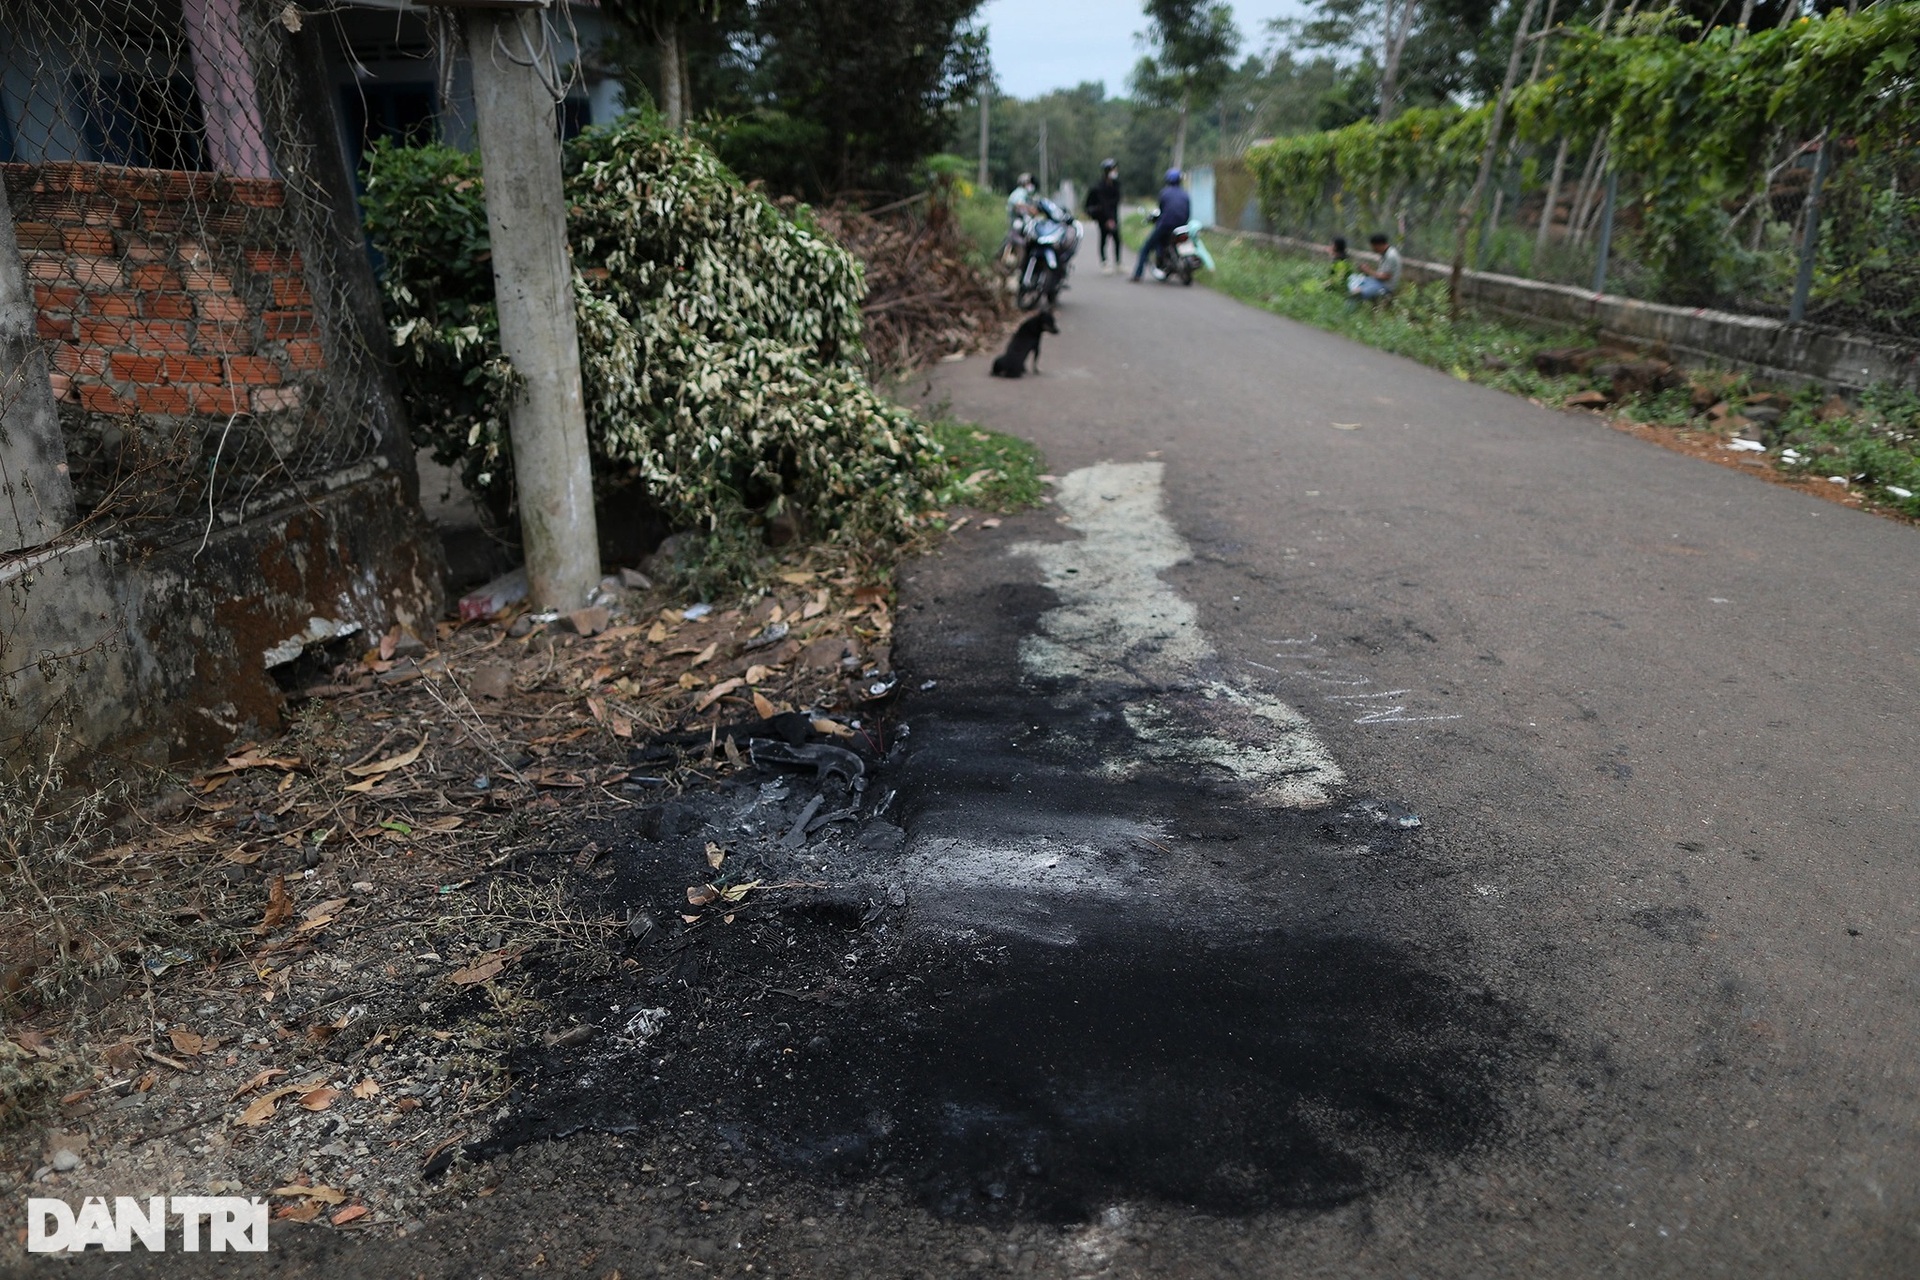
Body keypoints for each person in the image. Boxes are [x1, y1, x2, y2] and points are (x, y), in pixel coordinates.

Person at [1131, 168, 1192, 282]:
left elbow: (1162, 210)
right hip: (1182, 227)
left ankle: (1137, 274)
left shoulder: (1164, 193)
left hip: (1165, 226)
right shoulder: (1185, 194)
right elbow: (1188, 213)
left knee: (1145, 248)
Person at [1086, 159, 1123, 274]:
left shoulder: (1116, 185)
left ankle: (1118, 263)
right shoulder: (1098, 187)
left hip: (1114, 217)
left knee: (1117, 240)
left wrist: (1113, 219)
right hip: (1102, 218)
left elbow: (1116, 202)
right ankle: (1104, 262)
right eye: (1113, 170)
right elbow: (1101, 204)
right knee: (1103, 239)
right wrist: (1107, 219)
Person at [1349, 232, 1402, 300]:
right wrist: (1368, 270)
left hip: (1385, 287)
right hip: (1377, 281)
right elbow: (1380, 273)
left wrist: (1368, 271)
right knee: (1352, 278)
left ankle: (1357, 294)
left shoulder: (1391, 256)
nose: (1373, 249)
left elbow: (1386, 277)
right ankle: (1357, 290)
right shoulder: (1385, 253)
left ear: (1379, 245)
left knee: (1358, 294)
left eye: (1373, 247)